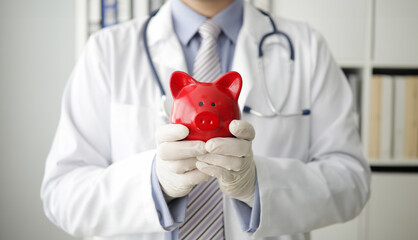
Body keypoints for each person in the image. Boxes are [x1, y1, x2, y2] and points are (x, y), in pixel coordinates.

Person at [41, 0, 371, 239]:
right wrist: (155, 184)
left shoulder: (306, 47)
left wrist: (258, 185)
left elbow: (351, 180)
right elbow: (63, 193)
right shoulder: (107, 51)